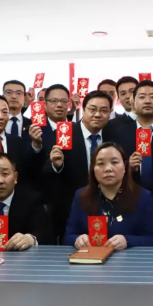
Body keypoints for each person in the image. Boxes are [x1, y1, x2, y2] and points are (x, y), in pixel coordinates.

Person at [43, 89, 114, 239]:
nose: (97, 114)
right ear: (83, 109)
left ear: (110, 113)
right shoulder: (63, 134)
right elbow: (44, 171)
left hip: (108, 206)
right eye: (92, 109)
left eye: (103, 111)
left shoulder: (114, 135)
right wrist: (56, 165)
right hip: (71, 207)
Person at [63, 142, 153, 249]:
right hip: (91, 257)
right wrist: (77, 239)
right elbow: (68, 236)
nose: (108, 169)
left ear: (125, 166)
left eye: (114, 162)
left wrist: (127, 241)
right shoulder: (81, 196)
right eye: (101, 164)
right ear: (93, 169)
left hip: (129, 258)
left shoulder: (143, 197)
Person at [114, 80, 153, 207]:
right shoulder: (119, 134)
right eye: (142, 97)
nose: (147, 101)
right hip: (126, 201)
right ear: (133, 101)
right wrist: (128, 168)